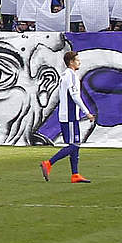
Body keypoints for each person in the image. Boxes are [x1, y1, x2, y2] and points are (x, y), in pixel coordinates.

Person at [41, 50, 96, 184]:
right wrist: (87, 112)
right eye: (77, 60)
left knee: (74, 145)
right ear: (71, 62)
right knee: (75, 144)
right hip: (70, 115)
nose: (79, 62)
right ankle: (49, 163)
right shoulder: (70, 75)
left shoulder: (67, 75)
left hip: (69, 115)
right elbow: (75, 95)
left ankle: (75, 174)